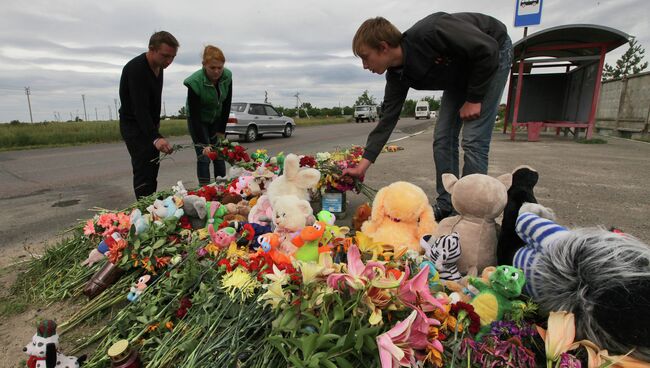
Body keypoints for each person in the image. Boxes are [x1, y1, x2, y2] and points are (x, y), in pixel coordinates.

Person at [343, 13, 512, 222]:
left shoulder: (434, 30)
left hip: (492, 55)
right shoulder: (397, 75)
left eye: (366, 57)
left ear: (383, 47)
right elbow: (388, 119)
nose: (365, 65)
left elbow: (487, 49)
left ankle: (472, 213)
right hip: (460, 73)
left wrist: (474, 98)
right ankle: (447, 203)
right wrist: (362, 166)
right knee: (442, 137)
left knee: (473, 138)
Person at [119, 31, 179, 199]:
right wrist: (156, 137)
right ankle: (144, 210)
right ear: (151, 49)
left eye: (172, 57)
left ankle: (153, 205)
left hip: (149, 126)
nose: (169, 61)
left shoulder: (159, 67)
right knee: (143, 169)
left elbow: (154, 102)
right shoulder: (136, 69)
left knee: (153, 168)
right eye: (165, 56)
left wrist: (155, 130)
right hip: (134, 126)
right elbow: (140, 108)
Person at [183, 45, 233, 186]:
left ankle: (221, 186)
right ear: (204, 65)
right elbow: (195, 115)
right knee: (204, 155)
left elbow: (227, 103)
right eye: (212, 68)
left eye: (220, 67)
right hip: (197, 120)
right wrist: (203, 143)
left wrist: (221, 131)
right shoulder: (194, 82)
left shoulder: (227, 76)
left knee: (218, 154)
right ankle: (205, 189)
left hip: (216, 118)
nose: (217, 71)